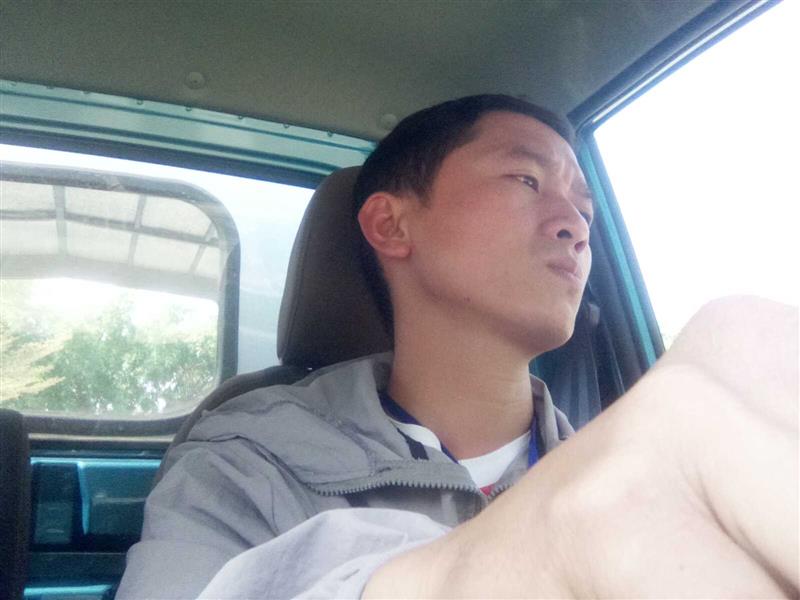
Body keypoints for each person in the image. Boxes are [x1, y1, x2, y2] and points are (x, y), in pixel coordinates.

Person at [116, 95, 798, 599]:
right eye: (525, 180)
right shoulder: (247, 458)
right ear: (391, 225)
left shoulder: (616, 468)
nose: (575, 225)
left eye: (586, 210)